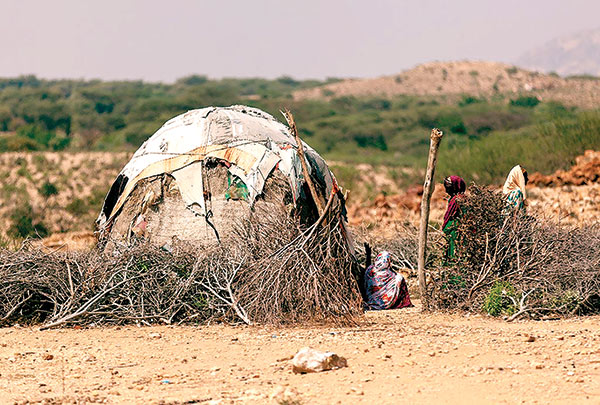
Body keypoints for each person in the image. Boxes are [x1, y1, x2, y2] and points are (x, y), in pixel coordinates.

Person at [442, 175, 466, 260]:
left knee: (455, 253)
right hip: (452, 232)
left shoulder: (459, 200)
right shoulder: (453, 199)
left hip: (456, 232)